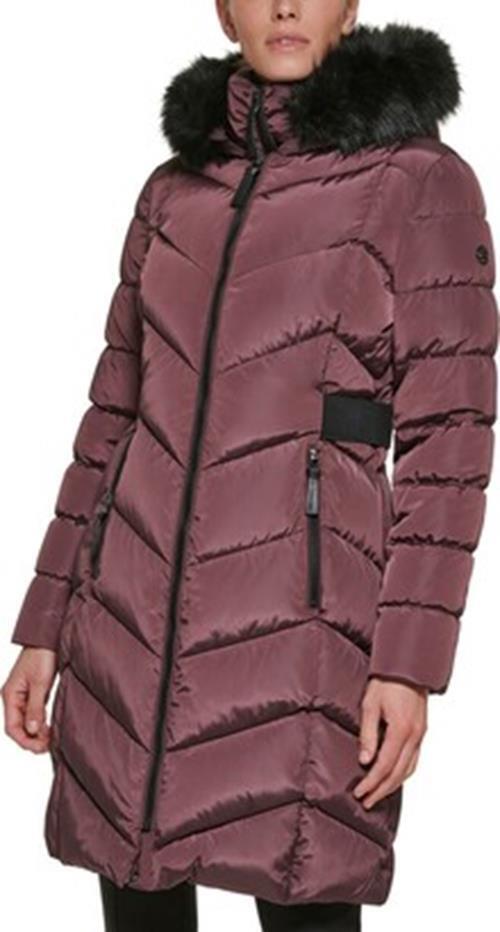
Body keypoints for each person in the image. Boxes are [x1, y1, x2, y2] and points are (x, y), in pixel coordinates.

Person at [2, 1, 498, 930]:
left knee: (305, 898)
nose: (285, 5)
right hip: (132, 636)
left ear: (350, 4)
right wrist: (45, 625)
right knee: (137, 892)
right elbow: (113, 419)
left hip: (303, 642)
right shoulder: (173, 193)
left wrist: (408, 667)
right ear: (225, 9)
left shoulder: (418, 183)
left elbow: (451, 442)